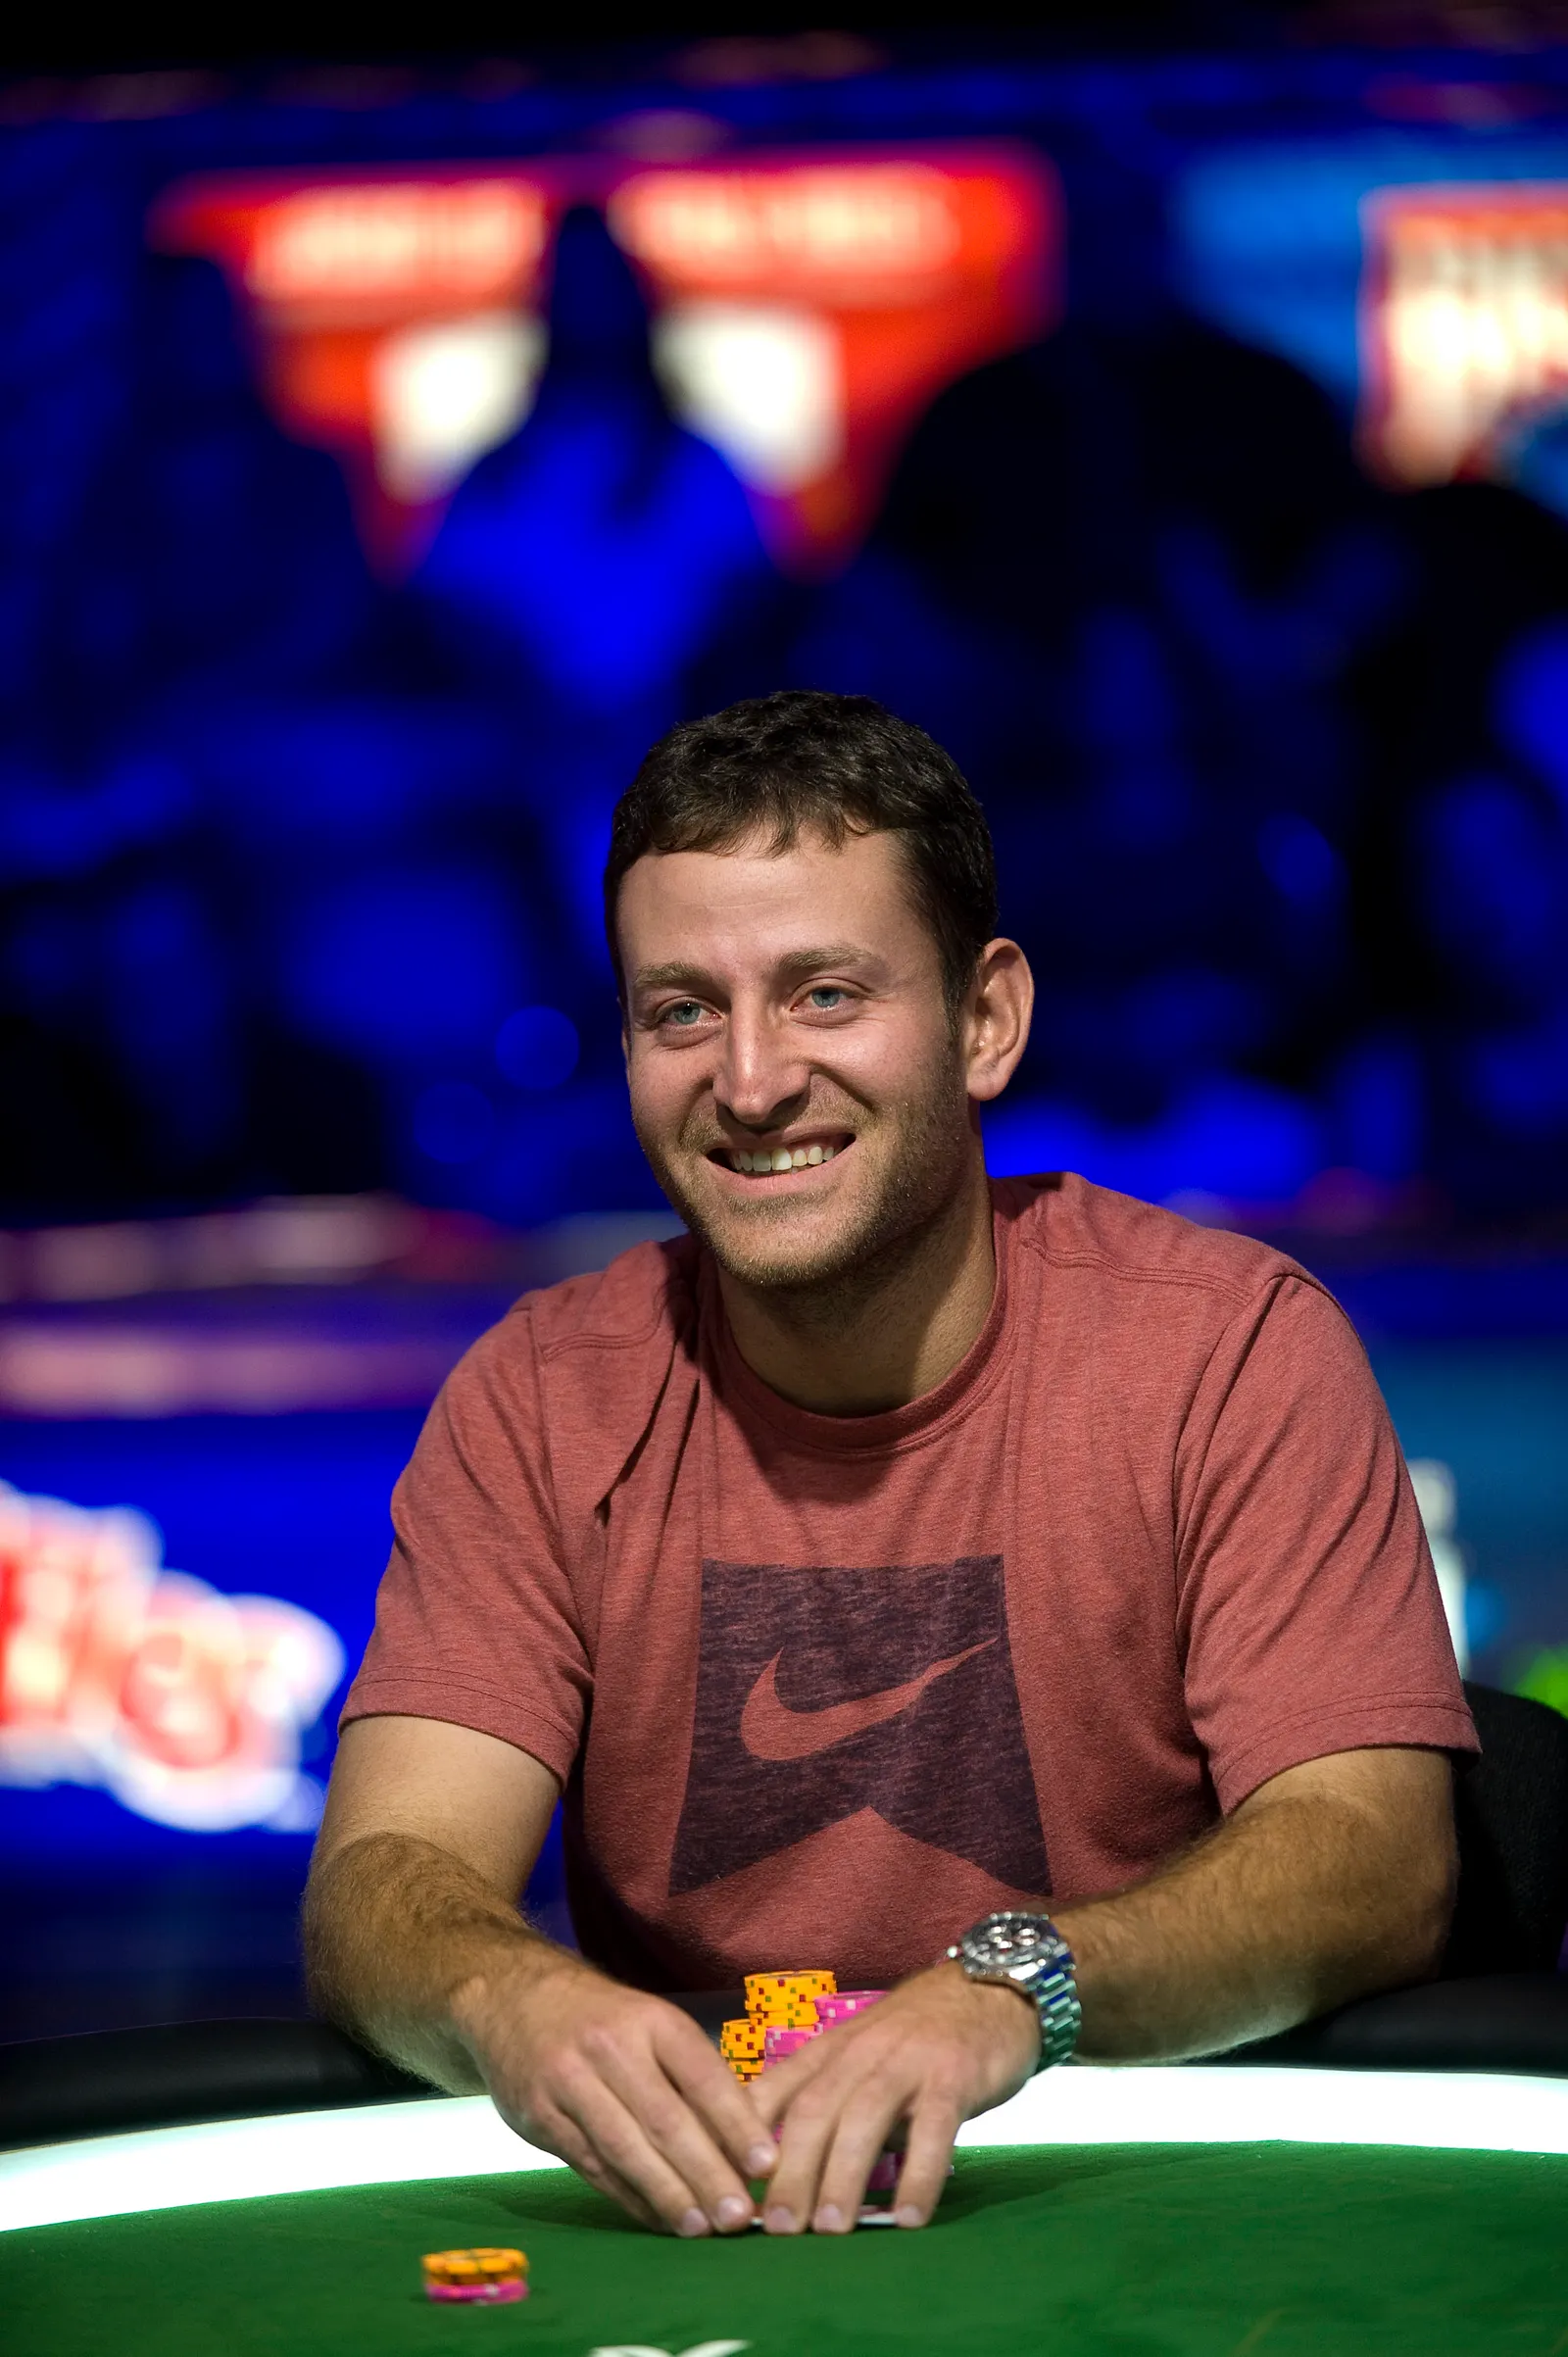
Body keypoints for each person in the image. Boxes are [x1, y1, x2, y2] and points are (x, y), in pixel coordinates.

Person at [305, 689, 1473, 2243]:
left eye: (825, 994)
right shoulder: (537, 1400)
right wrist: (507, 1997)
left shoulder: (1228, 1352)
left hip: (1159, 2195)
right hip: (711, 2226)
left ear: (987, 1021)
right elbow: (383, 1879)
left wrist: (1009, 1991)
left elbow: (1379, 1861)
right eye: (682, 1012)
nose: (751, 1081)